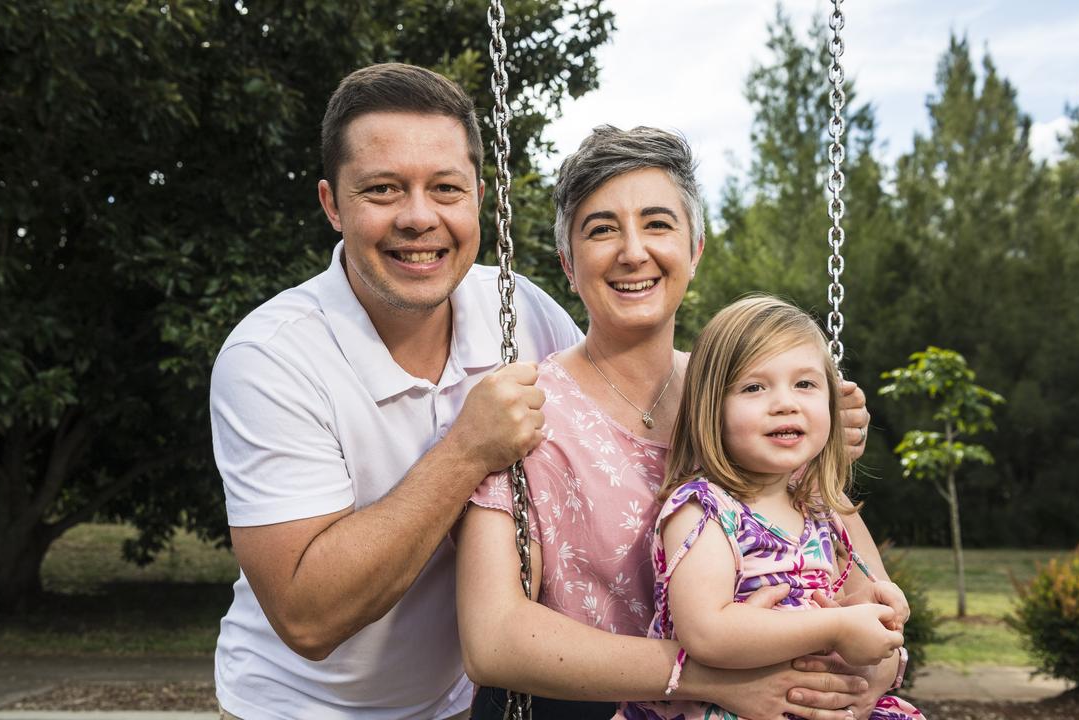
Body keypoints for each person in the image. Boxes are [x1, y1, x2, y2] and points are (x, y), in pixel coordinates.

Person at [211, 64, 874, 718]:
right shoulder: (273, 359)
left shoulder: (523, 314)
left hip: (449, 705)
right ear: (332, 203)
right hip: (301, 705)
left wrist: (802, 416)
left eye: (445, 188)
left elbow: (859, 578)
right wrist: (467, 449)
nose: (419, 217)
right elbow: (311, 619)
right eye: (382, 189)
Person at [456, 126, 902, 720]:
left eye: (658, 224)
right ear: (568, 261)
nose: (633, 251)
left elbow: (859, 579)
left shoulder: (754, 405)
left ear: (694, 250)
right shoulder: (525, 411)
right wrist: (709, 680)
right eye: (602, 229)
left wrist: (865, 676)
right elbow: (491, 642)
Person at [618, 295, 923, 720]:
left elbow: (854, 617)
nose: (785, 402)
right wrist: (835, 628)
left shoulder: (817, 509)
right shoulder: (705, 509)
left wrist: (877, 611)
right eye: (754, 387)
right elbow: (707, 632)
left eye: (805, 384)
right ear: (712, 410)